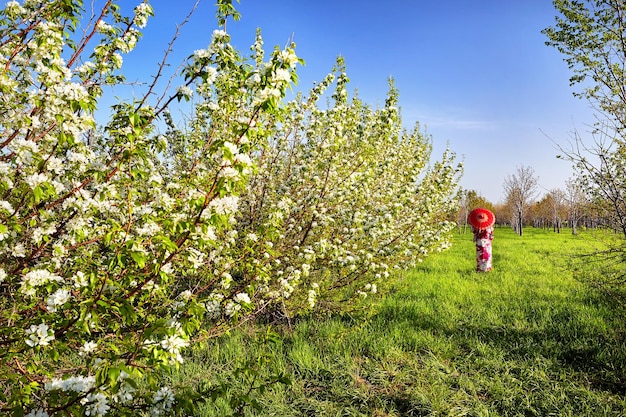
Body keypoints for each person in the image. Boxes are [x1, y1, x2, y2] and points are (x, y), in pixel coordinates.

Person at [467, 208, 495, 272]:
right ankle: (487, 268)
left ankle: (480, 268)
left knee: (480, 255)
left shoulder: (477, 227)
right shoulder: (490, 227)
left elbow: (474, 232)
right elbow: (492, 236)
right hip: (487, 243)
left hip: (479, 242)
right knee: (487, 255)